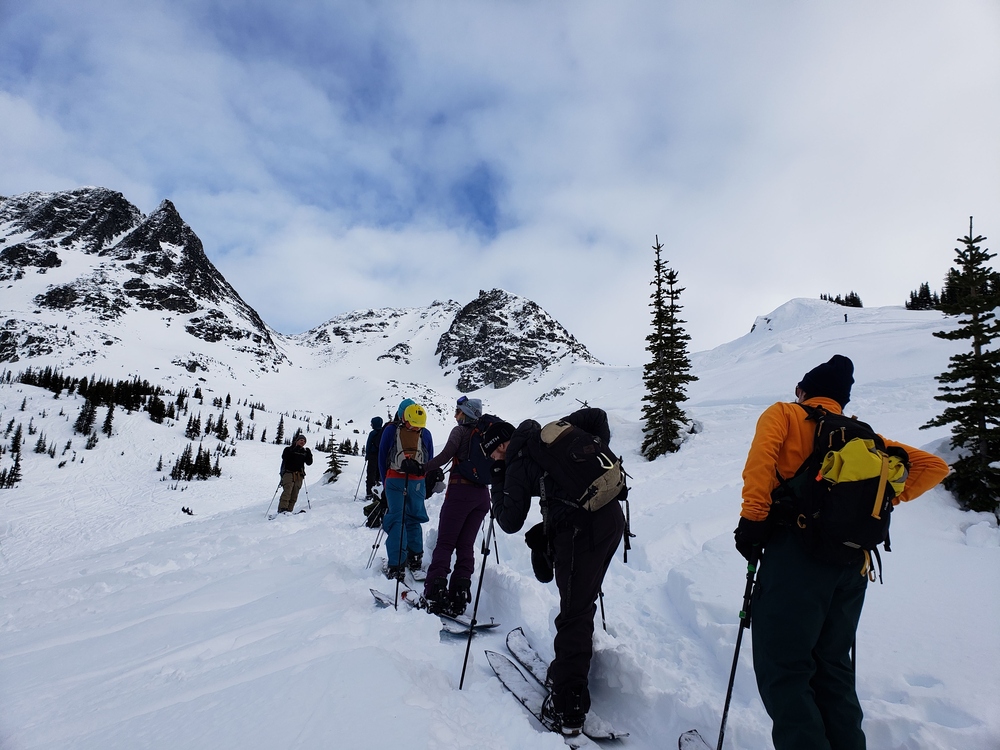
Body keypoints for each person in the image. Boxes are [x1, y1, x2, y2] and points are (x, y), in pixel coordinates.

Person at [734, 355, 949, 750]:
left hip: (795, 562)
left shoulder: (785, 413)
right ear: (841, 401)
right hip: (852, 567)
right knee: (832, 668)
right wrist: (880, 501)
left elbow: (761, 462)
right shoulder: (865, 439)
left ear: (802, 390)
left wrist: (753, 521)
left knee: (785, 669)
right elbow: (933, 466)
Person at [487, 408, 625, 737]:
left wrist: (497, 477)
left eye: (492, 451)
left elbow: (508, 521)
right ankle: (566, 673)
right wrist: (592, 469)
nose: (493, 457)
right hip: (612, 517)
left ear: (503, 446)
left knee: (574, 612)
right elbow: (596, 416)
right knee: (581, 602)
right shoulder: (550, 435)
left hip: (582, 531)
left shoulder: (518, 461)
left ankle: (569, 706)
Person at [421, 396, 491, 617]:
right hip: (482, 497)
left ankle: (435, 593)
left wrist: (421, 468)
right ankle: (459, 594)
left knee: (445, 543)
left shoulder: (460, 431)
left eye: (457, 411)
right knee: (465, 546)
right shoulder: (488, 435)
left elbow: (444, 455)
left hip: (460, 492)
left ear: (466, 414)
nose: (455, 415)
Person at [378, 400, 433, 581]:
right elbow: (429, 459)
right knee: (414, 518)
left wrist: (385, 484)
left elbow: (382, 457)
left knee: (396, 519)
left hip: (394, 479)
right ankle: (415, 560)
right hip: (417, 482)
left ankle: (397, 566)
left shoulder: (391, 430)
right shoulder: (425, 433)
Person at [278, 435, 313, 514]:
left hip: (299, 475)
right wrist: (294, 450)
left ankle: (289, 511)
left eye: (304, 441)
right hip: (288, 473)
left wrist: (309, 454)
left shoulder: (304, 452)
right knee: (287, 491)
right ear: (296, 441)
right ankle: (282, 509)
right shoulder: (288, 449)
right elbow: (284, 457)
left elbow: (309, 462)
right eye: (301, 440)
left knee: (294, 494)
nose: (302, 442)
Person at [364, 416, 384, 501]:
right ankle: (378, 493)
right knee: (379, 474)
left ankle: (369, 493)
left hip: (372, 456)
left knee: (370, 474)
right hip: (381, 456)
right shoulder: (384, 432)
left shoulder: (373, 433)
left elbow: (368, 445)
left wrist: (367, 455)